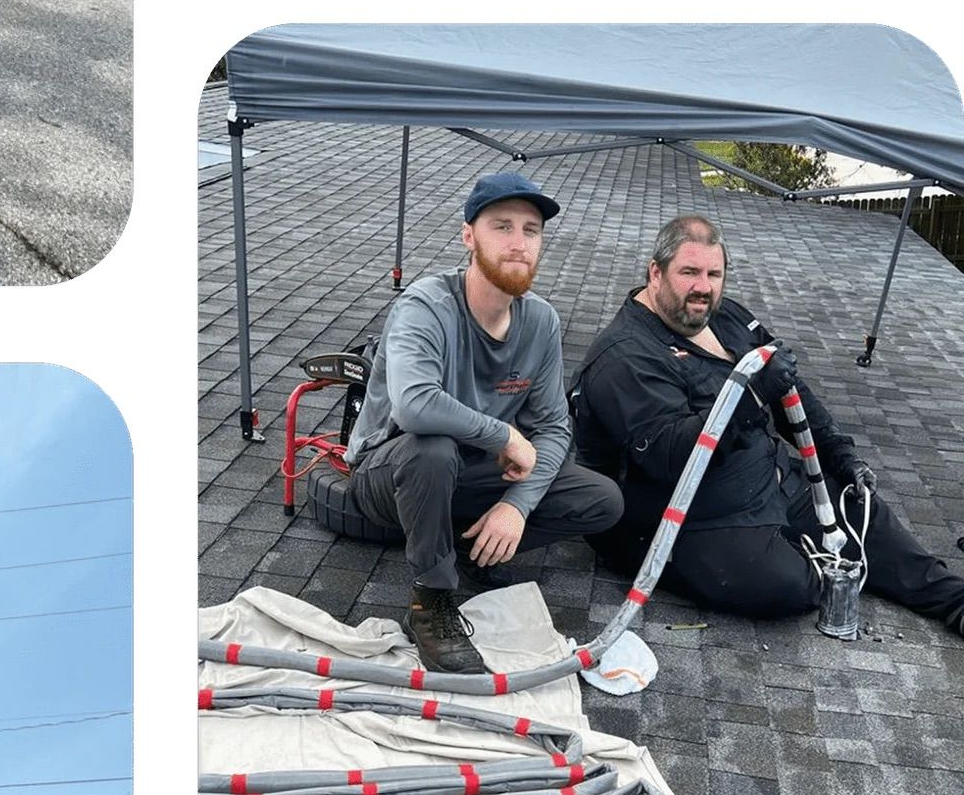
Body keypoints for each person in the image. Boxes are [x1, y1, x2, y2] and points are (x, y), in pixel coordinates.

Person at [571, 217, 964, 627]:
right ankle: (804, 555)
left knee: (863, 512)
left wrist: (836, 451)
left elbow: (790, 390)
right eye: (689, 272)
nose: (703, 287)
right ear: (656, 272)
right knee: (789, 586)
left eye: (713, 273)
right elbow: (670, 458)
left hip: (765, 476)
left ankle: (954, 603)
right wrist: (751, 395)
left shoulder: (725, 319)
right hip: (685, 511)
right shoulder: (625, 356)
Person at [343, 173, 625, 671]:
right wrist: (507, 434)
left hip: (473, 474)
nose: (519, 244)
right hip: (387, 473)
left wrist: (516, 506)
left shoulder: (540, 322)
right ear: (469, 236)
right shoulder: (427, 306)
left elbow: (557, 428)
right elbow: (413, 406)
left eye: (531, 230)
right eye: (502, 227)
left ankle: (471, 548)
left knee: (601, 500)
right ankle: (430, 599)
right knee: (433, 447)